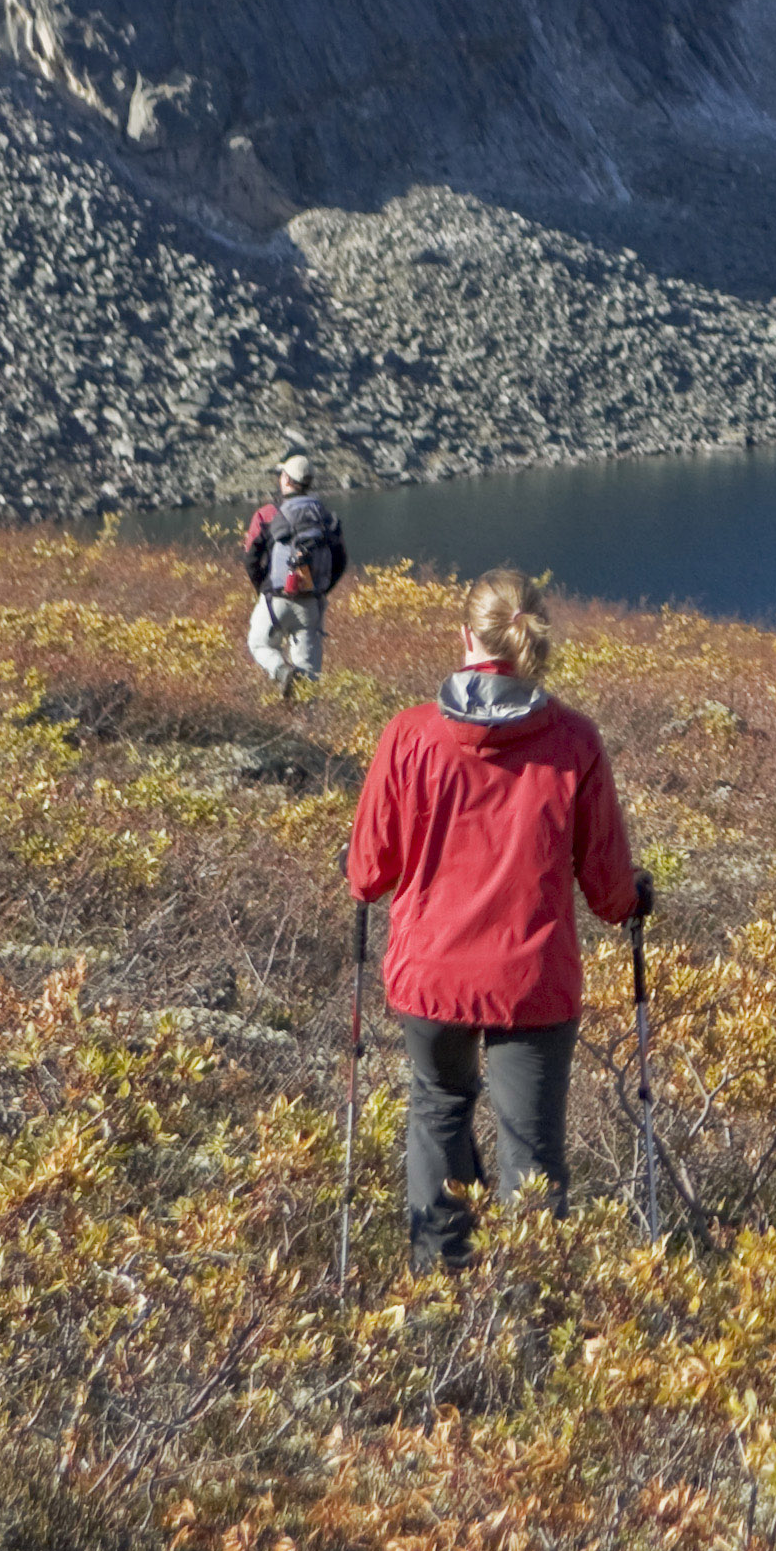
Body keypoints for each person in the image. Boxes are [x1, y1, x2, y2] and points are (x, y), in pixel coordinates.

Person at [345, 571, 644, 1266]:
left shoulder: (409, 735)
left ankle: (440, 1298)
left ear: (465, 639)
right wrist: (636, 897)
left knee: (438, 1108)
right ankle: (529, 1325)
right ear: (534, 640)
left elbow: (367, 874)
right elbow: (608, 894)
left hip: (430, 977)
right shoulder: (573, 740)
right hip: (531, 981)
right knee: (532, 1152)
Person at [240, 452, 347, 699]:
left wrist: (263, 589)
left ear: (286, 480)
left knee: (260, 644)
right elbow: (340, 561)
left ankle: (280, 671)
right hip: (310, 605)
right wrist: (319, 590)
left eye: (282, 474)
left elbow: (251, 556)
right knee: (308, 677)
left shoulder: (267, 514)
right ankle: (304, 725)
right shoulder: (327, 517)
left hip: (275, 599)